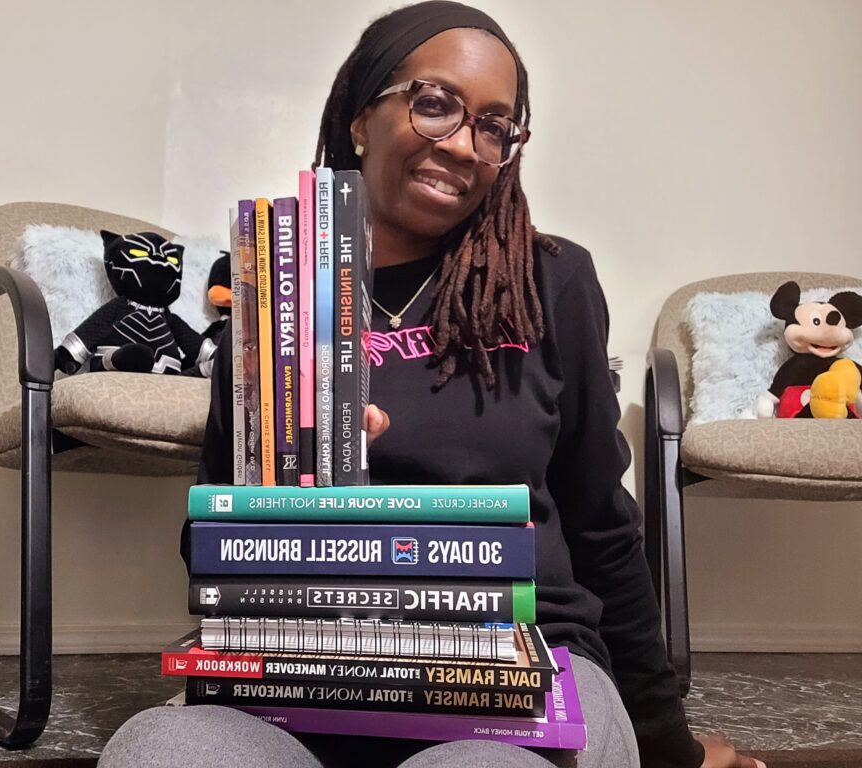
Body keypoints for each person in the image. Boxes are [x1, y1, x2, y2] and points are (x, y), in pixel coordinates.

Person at [99, 3, 766, 767]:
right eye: (435, 102)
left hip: (526, 663)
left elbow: (601, 523)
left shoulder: (550, 280)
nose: (464, 144)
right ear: (361, 116)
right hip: (317, 668)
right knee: (161, 751)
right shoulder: (281, 292)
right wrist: (303, 501)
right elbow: (208, 542)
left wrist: (666, 744)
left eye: (495, 125)